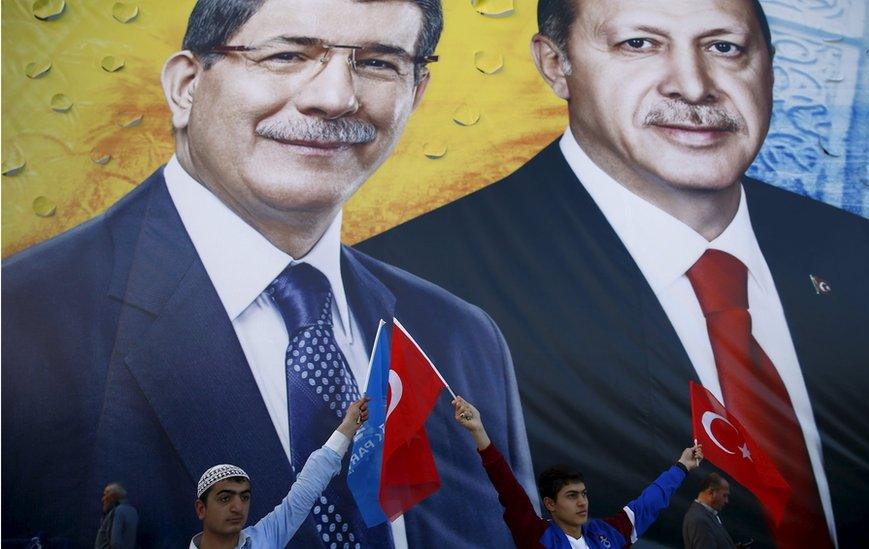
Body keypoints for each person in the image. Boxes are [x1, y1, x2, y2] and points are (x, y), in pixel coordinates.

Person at [358, 0, 869, 547]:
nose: (693, 85)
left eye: (724, 47)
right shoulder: (414, 284)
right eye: (639, 44)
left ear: (769, 64)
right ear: (555, 65)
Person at [1, 0, 533, 546]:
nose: (334, 98)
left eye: (378, 63)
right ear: (187, 86)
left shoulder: (461, 339)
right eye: (286, 54)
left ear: (415, 93)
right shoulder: (18, 325)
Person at [453, 396, 702, 548]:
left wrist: (681, 466)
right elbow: (508, 489)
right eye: (572, 496)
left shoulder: (608, 534)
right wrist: (479, 432)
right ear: (550, 503)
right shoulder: (536, 536)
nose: (582, 502)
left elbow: (649, 502)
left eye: (583, 494)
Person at [189, 396, 367, 549]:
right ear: (201, 508)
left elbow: (306, 488)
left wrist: (348, 427)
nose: (237, 508)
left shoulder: (263, 538)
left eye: (244, 497)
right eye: (225, 498)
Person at [682, 474, 735, 549]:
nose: (726, 501)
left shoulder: (707, 515)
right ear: (711, 492)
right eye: (724, 495)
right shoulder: (699, 520)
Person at [94, 483, 138, 549]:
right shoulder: (133, 511)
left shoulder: (117, 511)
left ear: (113, 496)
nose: (103, 499)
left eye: (105, 494)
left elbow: (115, 543)